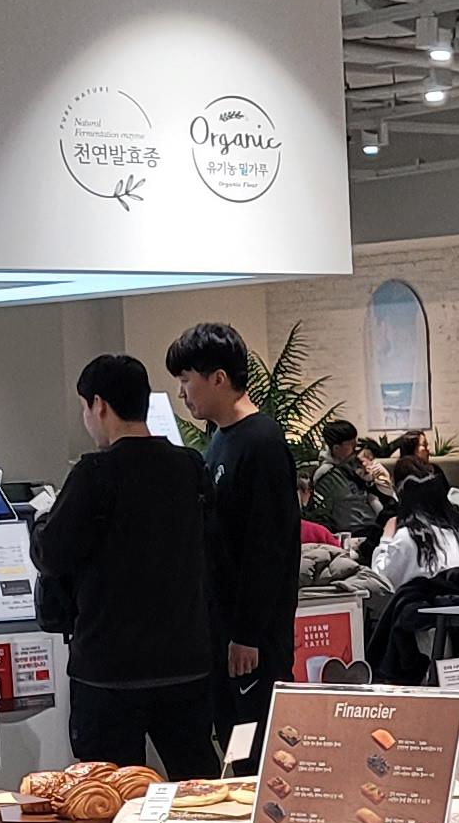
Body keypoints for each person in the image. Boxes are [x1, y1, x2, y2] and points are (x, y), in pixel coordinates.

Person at [30, 354, 220, 775]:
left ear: (99, 405)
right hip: (185, 661)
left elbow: (51, 554)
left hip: (109, 667)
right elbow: (213, 546)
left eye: (85, 408)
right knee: (198, 782)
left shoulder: (95, 473)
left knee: (108, 791)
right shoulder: (189, 466)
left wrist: (42, 520)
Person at [164, 318, 301, 755]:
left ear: (218, 378)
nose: (182, 393)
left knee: (255, 748)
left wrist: (247, 634)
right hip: (222, 626)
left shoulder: (262, 443)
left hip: (254, 639)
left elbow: (267, 547)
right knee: (232, 740)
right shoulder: (221, 440)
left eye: (187, 380)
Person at [305, 418, 389, 548]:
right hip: (351, 534)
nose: (355, 448)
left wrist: (372, 480)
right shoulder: (326, 475)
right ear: (336, 448)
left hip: (372, 527)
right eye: (351, 444)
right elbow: (323, 514)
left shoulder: (356, 464)